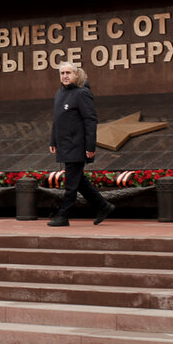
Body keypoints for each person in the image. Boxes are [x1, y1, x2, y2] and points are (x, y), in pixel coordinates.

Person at [47, 63, 114, 227]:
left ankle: (63, 215)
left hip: (77, 144)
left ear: (77, 74)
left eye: (68, 72)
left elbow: (90, 121)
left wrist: (90, 146)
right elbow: (57, 119)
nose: (65, 76)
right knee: (78, 180)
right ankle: (103, 206)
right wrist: (53, 141)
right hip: (64, 144)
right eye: (62, 73)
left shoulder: (82, 93)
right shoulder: (59, 94)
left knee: (71, 182)